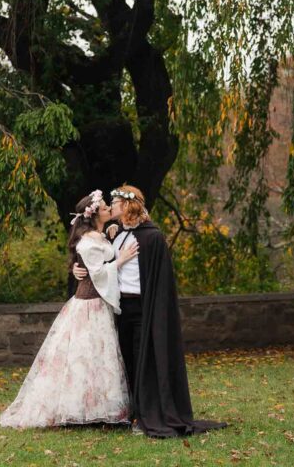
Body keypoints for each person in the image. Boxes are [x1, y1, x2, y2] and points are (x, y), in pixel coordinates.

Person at [72, 183, 228, 438]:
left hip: (144, 309)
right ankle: (129, 412)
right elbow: (97, 259)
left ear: (128, 205)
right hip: (120, 309)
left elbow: (160, 280)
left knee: (143, 361)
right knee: (126, 363)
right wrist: (78, 270)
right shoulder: (117, 233)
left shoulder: (152, 237)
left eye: (116, 203)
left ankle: (145, 416)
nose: (112, 207)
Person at [0, 189, 139, 429]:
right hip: (88, 306)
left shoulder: (102, 235)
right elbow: (98, 273)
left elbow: (99, 259)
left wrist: (112, 235)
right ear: (94, 214)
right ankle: (78, 408)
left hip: (98, 305)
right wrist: (122, 259)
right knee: (83, 357)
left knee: (98, 358)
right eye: (105, 208)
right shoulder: (88, 242)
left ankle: (98, 407)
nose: (108, 209)